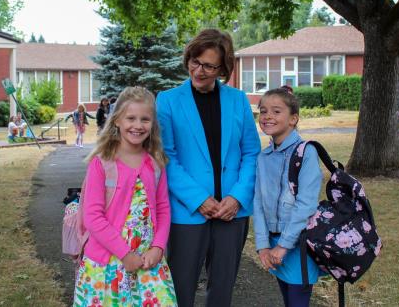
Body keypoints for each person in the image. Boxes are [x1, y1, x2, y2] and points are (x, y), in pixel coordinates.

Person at [156, 29, 261, 307]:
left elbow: (251, 153)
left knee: (222, 290)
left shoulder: (238, 100)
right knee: (180, 289)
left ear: (222, 69)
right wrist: (198, 199)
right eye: (195, 62)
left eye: (209, 66)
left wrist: (237, 197)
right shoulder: (167, 100)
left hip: (232, 212)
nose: (199, 71)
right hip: (187, 211)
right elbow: (165, 156)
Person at [75, 87, 177, 306]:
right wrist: (125, 255)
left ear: (153, 124)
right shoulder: (102, 163)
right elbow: (93, 216)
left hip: (148, 263)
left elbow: (163, 208)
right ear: (117, 120)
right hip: (107, 266)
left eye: (145, 119)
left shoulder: (155, 163)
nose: (138, 125)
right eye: (131, 118)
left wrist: (158, 247)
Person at [254, 87, 323, 307]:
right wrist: (263, 245)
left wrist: (283, 246)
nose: (267, 116)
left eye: (276, 111)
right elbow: (258, 203)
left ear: (293, 119)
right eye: (263, 111)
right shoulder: (263, 157)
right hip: (274, 245)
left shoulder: (306, 153)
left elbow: (306, 205)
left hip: (299, 245)